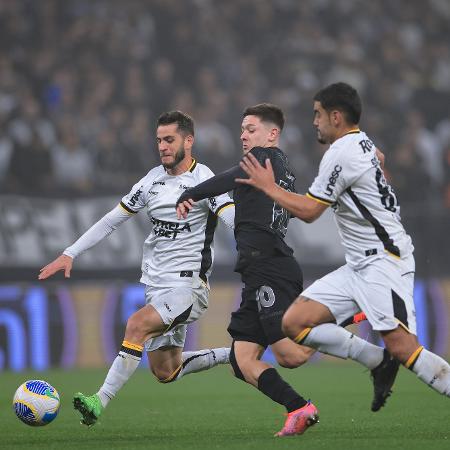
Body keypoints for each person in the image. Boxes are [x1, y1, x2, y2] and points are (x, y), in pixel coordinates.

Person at [176, 103, 392, 437]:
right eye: (242, 130)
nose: (244, 135)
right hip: (257, 270)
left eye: (251, 129)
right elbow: (280, 210)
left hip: (270, 267)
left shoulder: (266, 159)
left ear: (272, 133)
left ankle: (345, 311)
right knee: (242, 359)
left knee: (291, 355)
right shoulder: (280, 169)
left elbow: (229, 178)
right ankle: (299, 408)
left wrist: (191, 191)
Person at [236, 83, 450, 403]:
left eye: (318, 114)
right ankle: (377, 361)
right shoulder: (360, 141)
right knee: (294, 323)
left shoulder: (340, 153)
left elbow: (309, 212)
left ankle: (389, 356)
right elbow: (379, 155)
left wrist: (269, 187)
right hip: (358, 266)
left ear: (336, 117)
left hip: (384, 261)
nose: (314, 121)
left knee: (403, 346)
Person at [38, 111, 235, 426]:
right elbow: (111, 220)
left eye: (169, 139)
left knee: (135, 325)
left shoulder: (205, 181)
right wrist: (69, 253)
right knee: (165, 370)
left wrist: (255, 244)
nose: (162, 146)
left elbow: (230, 217)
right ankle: (234, 355)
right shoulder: (152, 179)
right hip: (157, 288)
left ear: (189, 140)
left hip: (189, 288)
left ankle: (98, 402)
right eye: (159, 140)